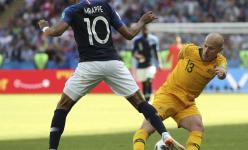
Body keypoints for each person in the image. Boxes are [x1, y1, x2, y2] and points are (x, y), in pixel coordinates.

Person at [38, 0, 177, 149]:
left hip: (89, 65)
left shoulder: (72, 10)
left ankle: (52, 148)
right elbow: (129, 34)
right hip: (112, 63)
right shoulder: (105, 6)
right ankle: (165, 134)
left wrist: (45, 27)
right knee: (141, 103)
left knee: (62, 106)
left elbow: (56, 32)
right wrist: (142, 21)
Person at [133, 33, 227, 150]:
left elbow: (222, 69)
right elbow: (180, 56)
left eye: (211, 48)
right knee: (147, 127)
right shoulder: (189, 49)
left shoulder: (220, 61)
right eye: (206, 46)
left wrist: (222, 73)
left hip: (187, 103)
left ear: (220, 50)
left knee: (197, 127)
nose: (206, 50)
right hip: (168, 95)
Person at [132, 25, 161, 102]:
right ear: (141, 31)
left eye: (146, 30)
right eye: (143, 30)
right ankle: (146, 99)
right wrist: (138, 57)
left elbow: (156, 52)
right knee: (144, 83)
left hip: (151, 64)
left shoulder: (153, 40)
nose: (145, 31)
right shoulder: (137, 41)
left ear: (148, 30)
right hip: (141, 66)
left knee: (149, 80)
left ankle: (149, 100)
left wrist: (159, 63)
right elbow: (134, 53)